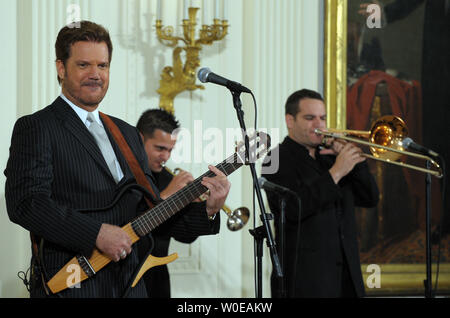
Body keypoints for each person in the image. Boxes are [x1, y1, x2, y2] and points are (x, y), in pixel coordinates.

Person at [4, 20, 230, 298]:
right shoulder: (37, 126)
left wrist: (208, 209)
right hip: (73, 285)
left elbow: (149, 212)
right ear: (61, 68)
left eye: (103, 65)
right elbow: (26, 204)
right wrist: (95, 234)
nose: (96, 74)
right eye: (84, 65)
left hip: (131, 285)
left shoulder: (126, 133)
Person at [262, 89, 379, 298]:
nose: (319, 125)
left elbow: (370, 198)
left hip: (346, 280)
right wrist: (336, 172)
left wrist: (354, 160)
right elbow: (292, 209)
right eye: (310, 118)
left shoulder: (331, 158)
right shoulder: (275, 159)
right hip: (305, 283)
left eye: (323, 118)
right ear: (290, 120)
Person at [135, 109, 219, 298]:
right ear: (139, 139)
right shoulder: (119, 173)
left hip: (157, 281)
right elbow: (126, 222)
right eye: (160, 148)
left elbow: (185, 236)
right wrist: (166, 196)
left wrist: (207, 208)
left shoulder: (167, 178)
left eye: (170, 150)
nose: (166, 157)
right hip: (122, 276)